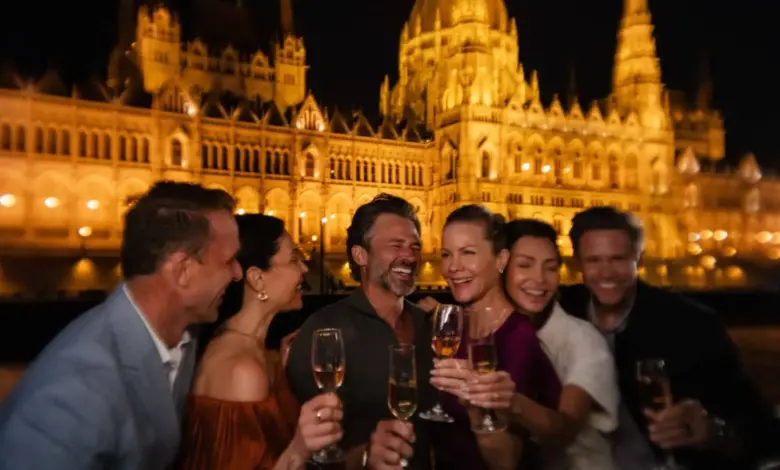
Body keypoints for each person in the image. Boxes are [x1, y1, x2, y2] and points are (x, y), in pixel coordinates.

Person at [0, 181, 242, 470]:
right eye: (229, 261)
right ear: (183, 271)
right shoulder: (72, 397)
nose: (238, 273)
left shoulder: (182, 335)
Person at [558, 206, 780, 469]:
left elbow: (761, 431)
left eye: (618, 259)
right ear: (578, 263)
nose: (606, 272)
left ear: (639, 259)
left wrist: (711, 431)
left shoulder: (691, 324)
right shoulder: (562, 311)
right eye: (594, 260)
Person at [178, 214, 344, 470]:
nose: (304, 268)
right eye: (294, 259)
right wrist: (299, 449)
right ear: (257, 279)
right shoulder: (242, 371)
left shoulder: (255, 351)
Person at [286, 194, 435, 470]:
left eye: (415, 246)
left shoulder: (429, 325)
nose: (410, 256)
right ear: (360, 255)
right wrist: (364, 457)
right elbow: (308, 453)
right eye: (396, 245)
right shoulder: (324, 330)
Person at [429, 205, 562, 470]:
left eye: (468, 253)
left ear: (501, 260)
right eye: (446, 254)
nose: (453, 267)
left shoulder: (519, 338)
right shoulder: (452, 328)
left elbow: (506, 460)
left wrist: (476, 404)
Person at [502, 218, 619, 470]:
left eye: (551, 268)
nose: (540, 279)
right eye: (525, 265)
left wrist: (506, 400)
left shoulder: (584, 340)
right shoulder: (496, 333)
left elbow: (566, 429)